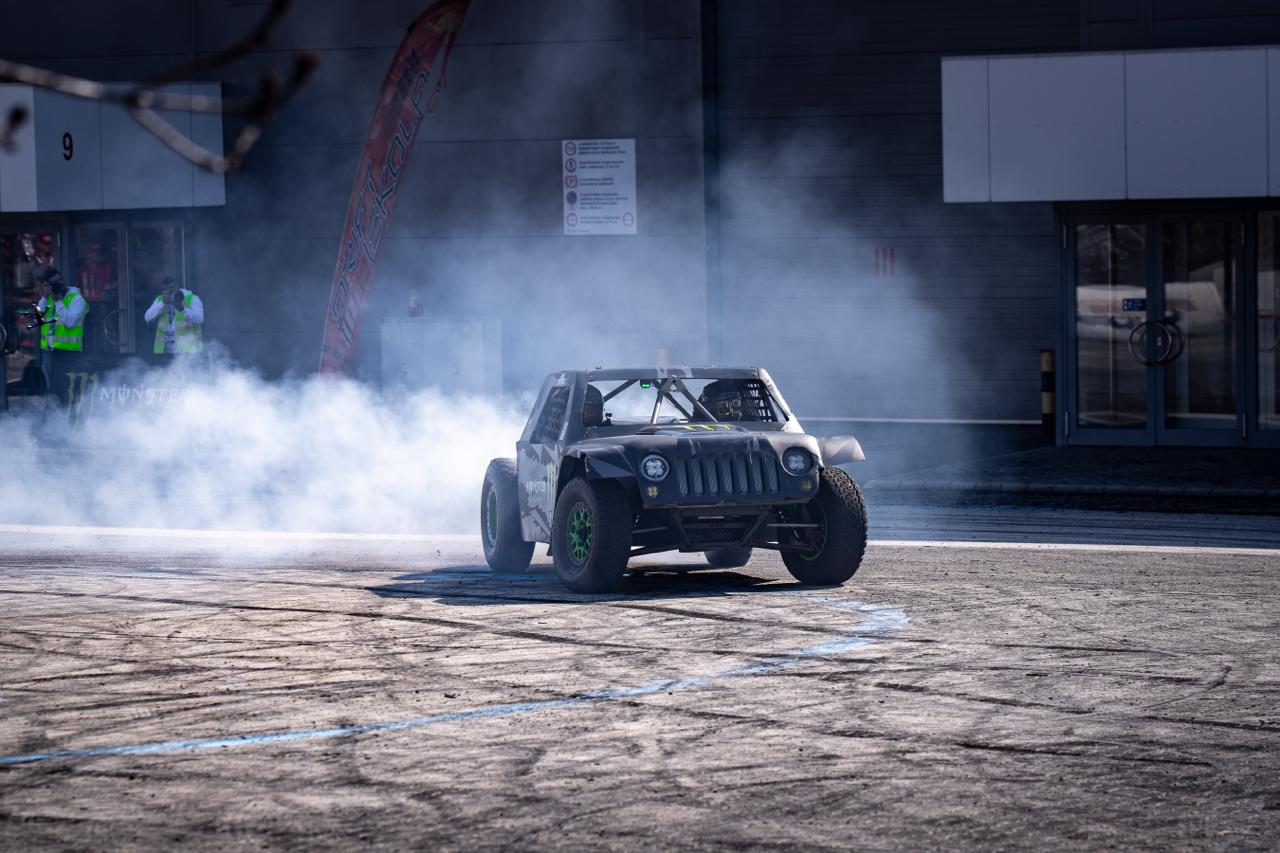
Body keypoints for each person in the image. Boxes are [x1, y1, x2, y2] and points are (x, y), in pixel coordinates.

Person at [34, 266, 89, 393]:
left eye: (60, 280)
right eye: (54, 283)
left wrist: (58, 301)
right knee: (52, 390)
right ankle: (54, 411)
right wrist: (44, 297)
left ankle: (67, 411)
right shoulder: (48, 298)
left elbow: (70, 322)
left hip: (68, 353)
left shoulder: (76, 298)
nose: (59, 284)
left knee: (67, 389)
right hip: (49, 352)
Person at [144, 277, 204, 354]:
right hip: (164, 352)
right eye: (164, 289)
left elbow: (200, 319)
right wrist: (162, 303)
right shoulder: (160, 300)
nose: (167, 292)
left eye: (171, 288)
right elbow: (147, 317)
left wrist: (183, 309)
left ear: (178, 288)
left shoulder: (192, 298)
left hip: (188, 352)